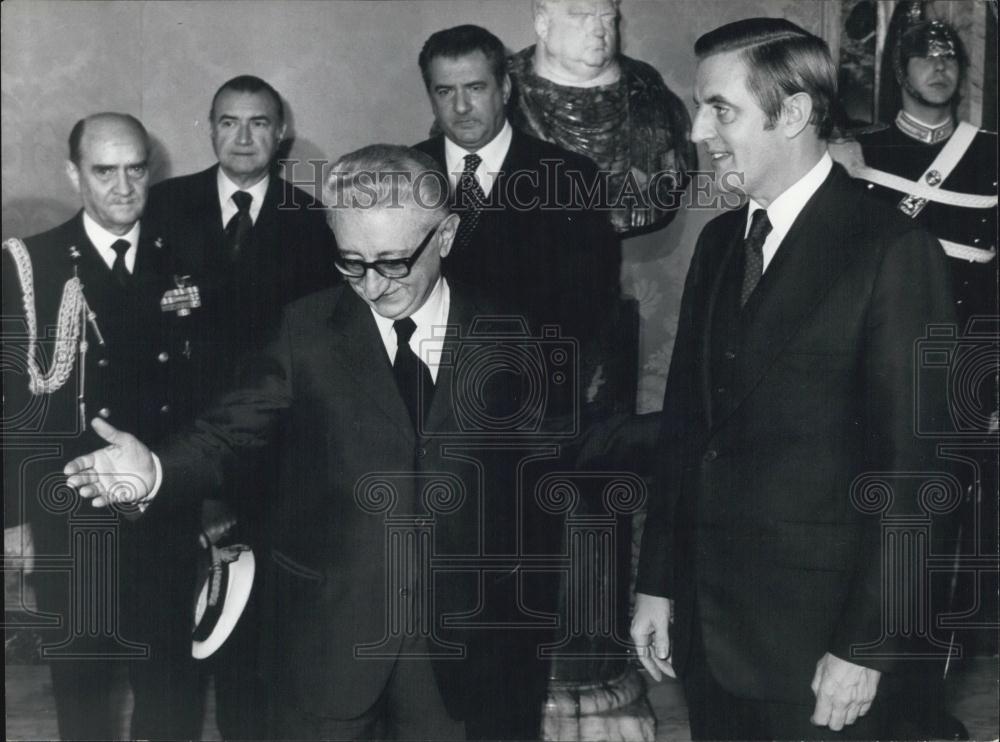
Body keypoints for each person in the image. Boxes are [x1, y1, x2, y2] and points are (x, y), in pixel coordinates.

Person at [64, 144, 559, 741]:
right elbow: (226, 433)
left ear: (446, 234)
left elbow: (554, 464)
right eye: (351, 262)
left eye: (394, 261)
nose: (373, 285)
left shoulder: (511, 335)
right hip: (329, 644)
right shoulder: (305, 332)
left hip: (462, 652)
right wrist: (160, 471)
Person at [630, 19, 956, 740]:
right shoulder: (720, 243)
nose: (696, 131)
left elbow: (915, 473)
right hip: (711, 642)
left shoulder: (892, 251)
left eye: (720, 108)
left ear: (796, 113)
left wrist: (867, 644)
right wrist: (656, 583)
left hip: (825, 652)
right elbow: (686, 429)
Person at [144, 74, 337, 738]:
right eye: (229, 122)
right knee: (167, 644)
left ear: (281, 132)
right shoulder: (163, 207)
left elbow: (316, 359)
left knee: (248, 649)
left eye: (259, 123)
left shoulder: (313, 224)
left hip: (268, 464)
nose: (244, 136)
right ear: (210, 128)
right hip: (172, 457)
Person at [1, 113, 200, 740]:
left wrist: (212, 490)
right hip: (71, 513)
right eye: (103, 170)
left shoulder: (186, 255)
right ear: (73, 174)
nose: (122, 187)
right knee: (82, 683)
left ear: (151, 170)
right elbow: (11, 404)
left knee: (171, 679)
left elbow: (211, 384)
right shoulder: (27, 265)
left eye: (135, 169)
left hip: (164, 503)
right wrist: (12, 519)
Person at [844, 18, 997, 740]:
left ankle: (923, 711)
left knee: (944, 546)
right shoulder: (861, 154)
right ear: (897, 71)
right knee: (867, 537)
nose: (938, 68)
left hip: (959, 374)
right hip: (872, 374)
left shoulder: (993, 157)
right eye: (922, 57)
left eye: (949, 57)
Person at [413, 24, 626, 416]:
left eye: (475, 88)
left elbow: (588, 304)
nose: (460, 107)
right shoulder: (404, 172)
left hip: (532, 403)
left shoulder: (569, 176)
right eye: (445, 91)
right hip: (423, 397)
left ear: (505, 89)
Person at [508, 0, 696, 233]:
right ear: (543, 23)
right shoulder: (504, 92)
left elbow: (672, 166)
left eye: (608, 18)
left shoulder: (647, 88)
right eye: (582, 16)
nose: (598, 30)